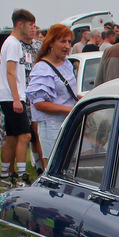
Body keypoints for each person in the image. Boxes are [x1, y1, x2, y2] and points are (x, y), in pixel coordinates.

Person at [0, 8, 36, 188]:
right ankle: (21, 176)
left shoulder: (12, 43)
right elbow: (10, 72)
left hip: (8, 96)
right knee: (25, 135)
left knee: (12, 138)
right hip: (12, 97)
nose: (31, 29)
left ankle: (5, 176)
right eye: (30, 25)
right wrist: (16, 99)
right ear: (20, 24)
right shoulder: (13, 44)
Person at [25, 24, 79, 154]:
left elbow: (68, 94)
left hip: (70, 121)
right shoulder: (42, 68)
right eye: (63, 41)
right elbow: (39, 104)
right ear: (51, 43)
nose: (67, 46)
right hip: (53, 126)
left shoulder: (66, 63)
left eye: (69, 42)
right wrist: (70, 109)